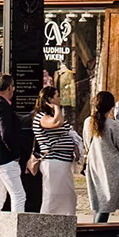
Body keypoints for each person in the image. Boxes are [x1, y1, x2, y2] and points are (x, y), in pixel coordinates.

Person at [82, 89, 119, 237]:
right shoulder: (112, 125)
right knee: (106, 205)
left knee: (99, 204)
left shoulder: (87, 122)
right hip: (112, 168)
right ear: (111, 107)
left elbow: (86, 144)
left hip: (94, 165)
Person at [0, 73, 28, 213]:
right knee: (19, 195)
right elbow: (6, 134)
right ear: (9, 87)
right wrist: (15, 153)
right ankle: (15, 229)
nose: (13, 91)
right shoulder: (2, 105)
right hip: (5, 157)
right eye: (12, 88)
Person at [30, 85, 77, 216]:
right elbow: (56, 123)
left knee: (68, 197)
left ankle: (65, 225)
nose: (60, 98)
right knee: (53, 198)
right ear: (50, 99)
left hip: (62, 162)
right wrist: (56, 107)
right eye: (57, 96)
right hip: (53, 161)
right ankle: (46, 226)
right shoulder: (41, 117)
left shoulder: (52, 115)